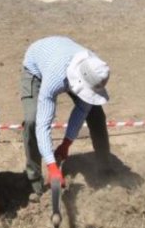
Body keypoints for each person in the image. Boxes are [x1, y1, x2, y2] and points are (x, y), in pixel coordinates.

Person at [21, 36, 111, 198]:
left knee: (96, 114)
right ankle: (34, 180)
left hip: (63, 57)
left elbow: (82, 110)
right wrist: (52, 166)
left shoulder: (96, 68)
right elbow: (43, 124)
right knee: (32, 121)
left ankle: (106, 170)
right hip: (36, 65)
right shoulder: (56, 78)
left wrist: (66, 144)